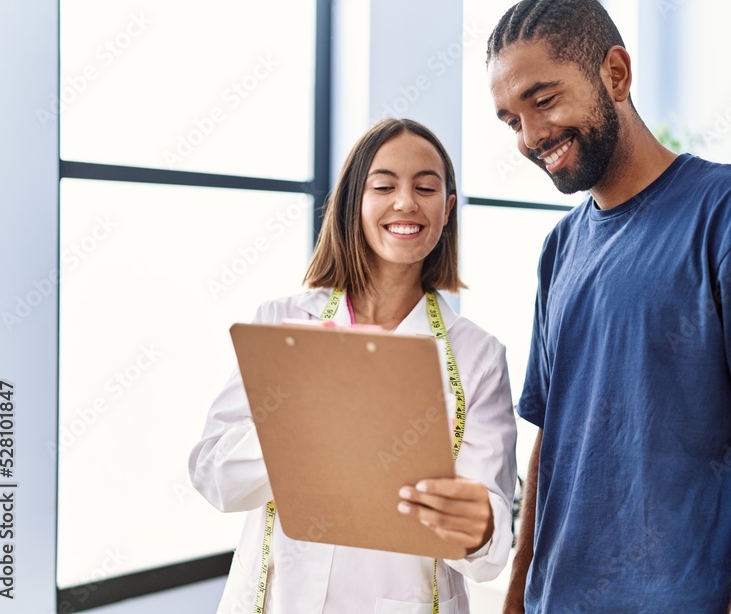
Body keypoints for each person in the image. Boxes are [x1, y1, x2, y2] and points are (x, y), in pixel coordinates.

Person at [486, 0, 731, 613]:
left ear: (615, 73)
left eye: (543, 101)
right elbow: (552, 444)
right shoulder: (559, 249)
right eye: (511, 121)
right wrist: (518, 597)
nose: (530, 136)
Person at [189, 118, 517, 613]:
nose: (406, 202)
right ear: (353, 203)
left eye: (426, 188)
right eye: (383, 186)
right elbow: (213, 476)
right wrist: (299, 418)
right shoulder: (281, 323)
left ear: (447, 210)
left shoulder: (478, 357)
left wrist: (481, 526)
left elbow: (486, 551)